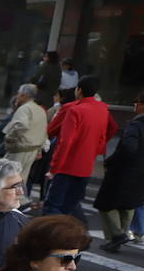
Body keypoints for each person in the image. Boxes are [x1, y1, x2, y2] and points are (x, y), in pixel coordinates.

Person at [44, 77, 116, 223]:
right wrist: (97, 145)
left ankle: (51, 239)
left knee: (53, 206)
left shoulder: (73, 109)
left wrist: (53, 168)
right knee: (68, 207)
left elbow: (65, 141)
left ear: (79, 90)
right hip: (86, 166)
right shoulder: (103, 108)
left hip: (66, 166)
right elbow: (112, 128)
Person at [94, 91, 144, 251]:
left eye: (137, 101)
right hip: (140, 174)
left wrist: (111, 161)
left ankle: (117, 235)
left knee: (106, 203)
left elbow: (128, 148)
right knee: (128, 205)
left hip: (124, 170)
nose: (134, 104)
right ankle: (119, 237)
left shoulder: (136, 125)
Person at [2, 84, 46, 202]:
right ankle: (18, 201)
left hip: (20, 148)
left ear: (23, 95)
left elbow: (22, 125)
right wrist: (41, 148)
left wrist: (10, 136)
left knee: (10, 177)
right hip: (32, 149)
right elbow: (44, 130)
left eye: (19, 93)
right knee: (21, 178)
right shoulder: (39, 109)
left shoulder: (25, 108)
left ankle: (12, 202)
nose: (17, 96)